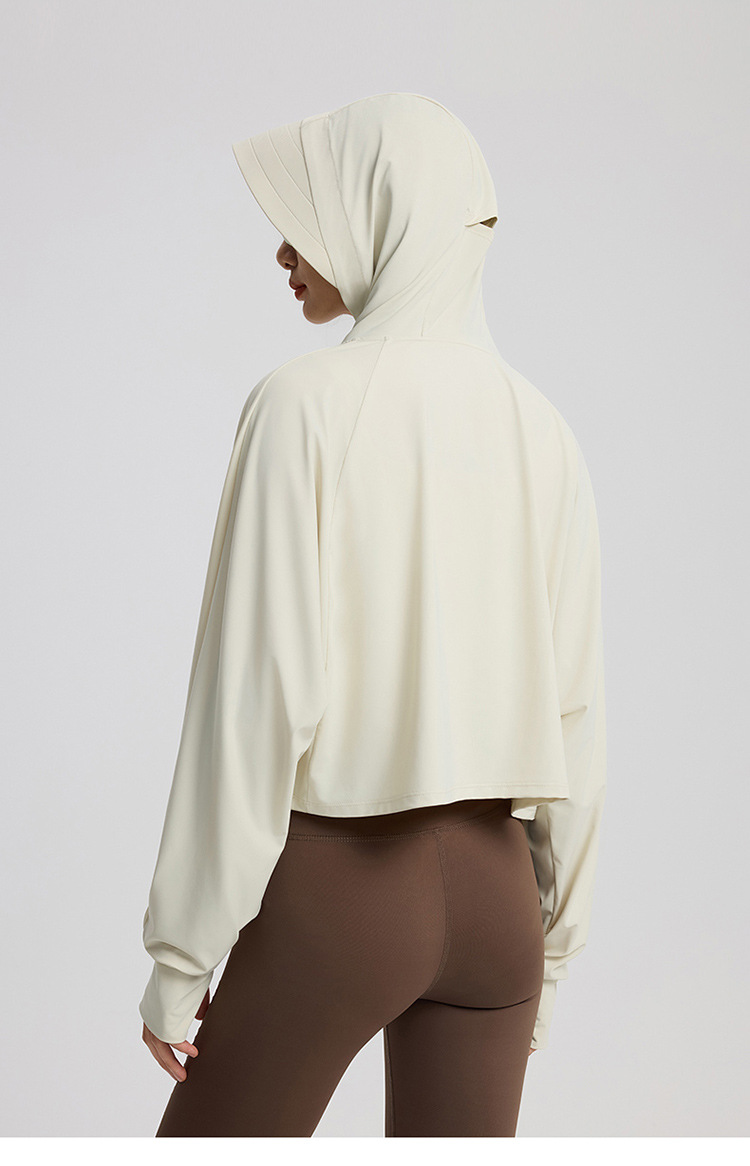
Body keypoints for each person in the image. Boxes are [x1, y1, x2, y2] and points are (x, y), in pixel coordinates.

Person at [138, 91, 607, 1137]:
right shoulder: (546, 431)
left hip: (341, 893)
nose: (283, 250)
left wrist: (181, 954)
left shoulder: (303, 403)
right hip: (499, 908)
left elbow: (253, 703)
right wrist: (552, 950)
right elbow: (576, 720)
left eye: (310, 215)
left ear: (387, 215)